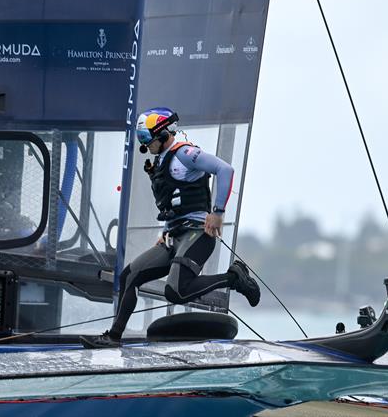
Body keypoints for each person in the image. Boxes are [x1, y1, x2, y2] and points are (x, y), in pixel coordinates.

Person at [81, 107, 260, 348]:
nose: (144, 144)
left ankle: (234, 278)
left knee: (175, 292)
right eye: (140, 138)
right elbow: (171, 201)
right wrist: (165, 230)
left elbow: (225, 170)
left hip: (198, 234)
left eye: (146, 138)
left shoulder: (185, 154)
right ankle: (113, 337)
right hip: (174, 235)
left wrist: (218, 212)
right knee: (129, 276)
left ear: (164, 135)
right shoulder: (160, 161)